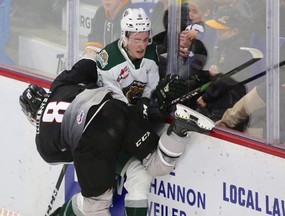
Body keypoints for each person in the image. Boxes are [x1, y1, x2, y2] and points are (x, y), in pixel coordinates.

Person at [19, 57, 214, 216]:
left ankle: (180, 130)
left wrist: (101, 169)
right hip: (115, 110)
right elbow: (88, 65)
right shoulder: (59, 85)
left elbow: (80, 154)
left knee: (95, 206)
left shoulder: (43, 142)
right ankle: (179, 128)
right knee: (155, 165)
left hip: (92, 139)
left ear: (31, 115)